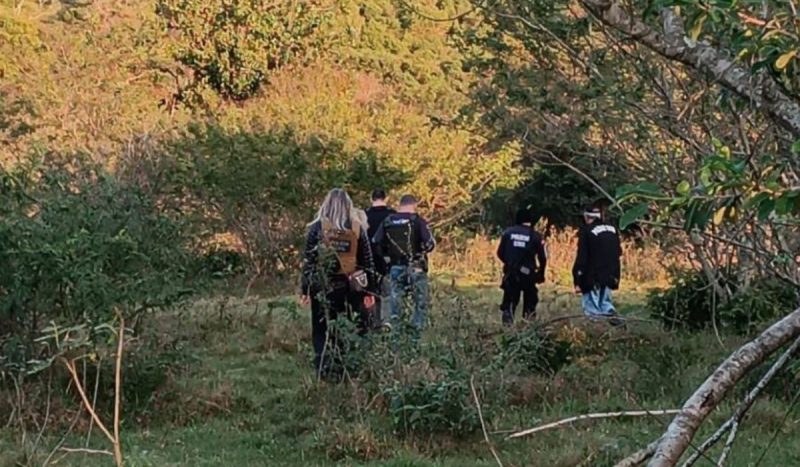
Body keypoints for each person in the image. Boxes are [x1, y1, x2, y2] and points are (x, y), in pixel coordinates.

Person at [300, 189, 377, 377]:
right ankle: (345, 368)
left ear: (326, 205)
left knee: (320, 329)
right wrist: (370, 292)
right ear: (348, 206)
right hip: (349, 287)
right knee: (347, 326)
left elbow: (309, 261)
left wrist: (305, 289)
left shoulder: (318, 228)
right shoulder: (357, 227)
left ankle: (323, 369)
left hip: (322, 286)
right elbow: (367, 261)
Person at [372, 194, 435, 331]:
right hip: (416, 268)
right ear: (414, 205)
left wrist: (386, 258)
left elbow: (376, 242)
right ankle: (416, 333)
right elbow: (430, 244)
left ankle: (397, 334)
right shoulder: (418, 221)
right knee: (419, 303)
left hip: (395, 266)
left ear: (400, 205)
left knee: (396, 302)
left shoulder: (388, 221)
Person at [572, 203, 624, 325]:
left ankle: (596, 333)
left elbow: (582, 257)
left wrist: (578, 278)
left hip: (592, 276)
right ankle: (611, 315)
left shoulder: (587, 231)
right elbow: (618, 252)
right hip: (610, 274)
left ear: (587, 217)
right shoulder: (612, 230)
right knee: (605, 302)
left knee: (592, 309)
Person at [497, 208, 547, 324]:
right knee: (530, 302)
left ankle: (508, 327)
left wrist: (509, 263)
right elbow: (543, 257)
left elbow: (500, 253)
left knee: (509, 301)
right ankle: (528, 326)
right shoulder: (536, 236)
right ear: (530, 221)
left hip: (511, 273)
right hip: (528, 274)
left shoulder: (508, 233)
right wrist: (541, 273)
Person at [365, 189, 396, 328]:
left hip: (368, 260)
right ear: (386, 198)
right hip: (388, 260)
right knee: (388, 294)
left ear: (371, 198)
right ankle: (387, 322)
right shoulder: (393, 215)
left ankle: (372, 321)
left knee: (370, 292)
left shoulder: (364, 215)